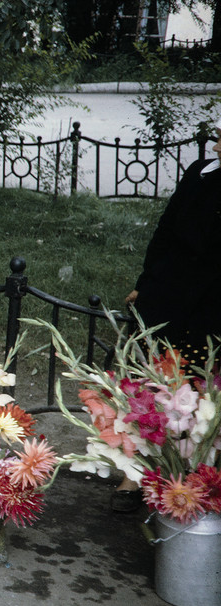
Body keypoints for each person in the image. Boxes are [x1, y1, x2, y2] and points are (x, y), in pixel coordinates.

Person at [109, 116, 221, 512]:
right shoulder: (199, 172)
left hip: (209, 310)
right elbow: (166, 229)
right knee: (147, 385)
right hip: (165, 297)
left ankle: (183, 479)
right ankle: (134, 473)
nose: (220, 145)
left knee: (192, 396)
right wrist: (145, 280)